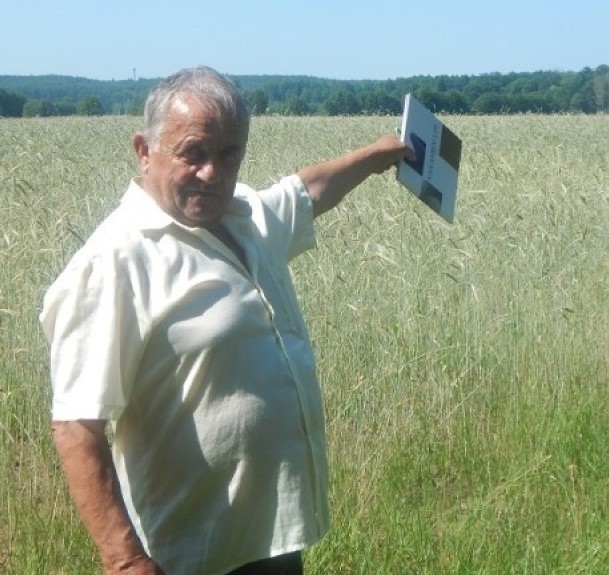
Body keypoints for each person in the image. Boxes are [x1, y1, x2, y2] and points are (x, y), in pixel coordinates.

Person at [40, 66, 412, 575]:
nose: (212, 172)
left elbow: (307, 191)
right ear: (144, 150)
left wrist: (377, 156)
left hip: (272, 537)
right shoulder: (115, 262)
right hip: (192, 555)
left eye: (229, 153)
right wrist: (125, 560)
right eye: (193, 152)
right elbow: (77, 426)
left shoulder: (244, 216)